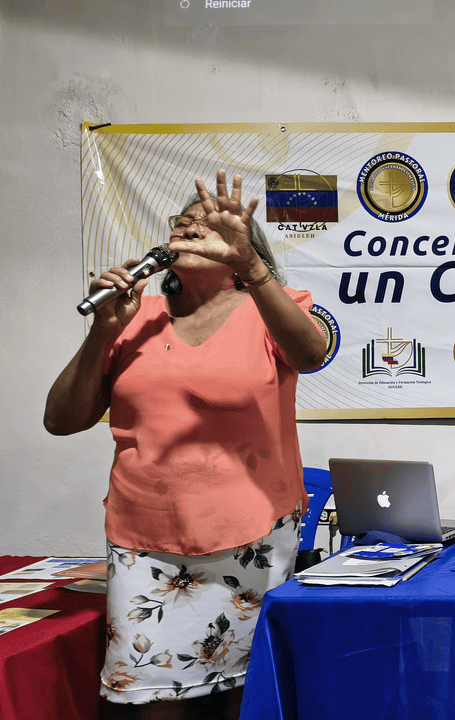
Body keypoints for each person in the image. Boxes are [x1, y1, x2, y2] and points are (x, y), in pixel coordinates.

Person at [44, 171, 327, 719]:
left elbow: (312, 355)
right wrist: (104, 330)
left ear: (241, 249)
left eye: (208, 225)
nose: (190, 229)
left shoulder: (273, 307)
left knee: (243, 691)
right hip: (145, 536)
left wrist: (253, 268)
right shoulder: (136, 318)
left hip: (251, 530)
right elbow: (61, 420)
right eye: (182, 224)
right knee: (150, 694)